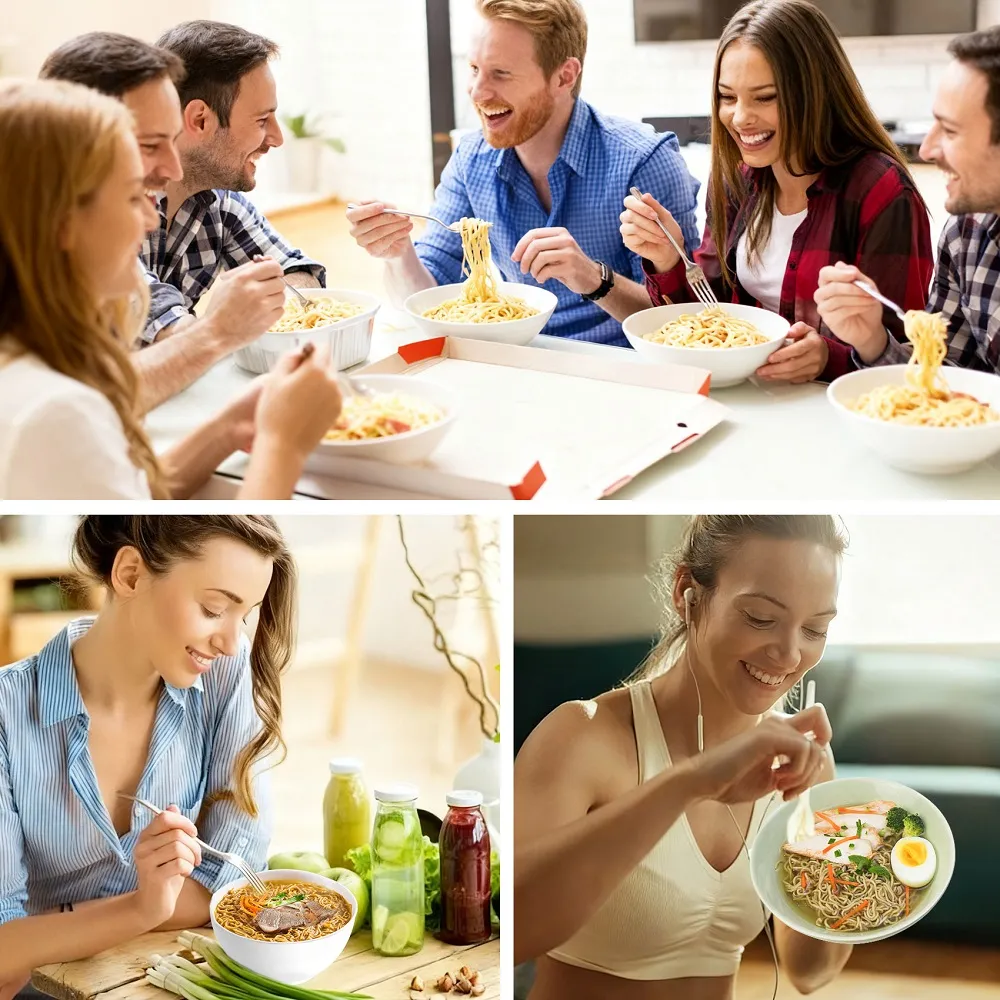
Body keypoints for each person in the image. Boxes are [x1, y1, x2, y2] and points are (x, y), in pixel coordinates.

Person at [515, 515, 853, 1000]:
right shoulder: (583, 737)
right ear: (685, 592)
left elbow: (808, 971)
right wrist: (690, 781)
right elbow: (513, 929)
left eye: (815, 629)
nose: (789, 654)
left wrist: (848, 852)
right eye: (761, 617)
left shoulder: (803, 765)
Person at [0, 79, 342, 500]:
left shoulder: (44, 380)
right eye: (131, 196)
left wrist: (229, 429)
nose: (151, 217)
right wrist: (282, 444)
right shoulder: (56, 411)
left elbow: (132, 494)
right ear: (63, 224)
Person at [0, 515, 293, 1000]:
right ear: (131, 574)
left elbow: (231, 879)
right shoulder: (8, 714)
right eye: (213, 607)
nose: (229, 640)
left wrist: (51, 926)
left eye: (243, 615)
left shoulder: (224, 672)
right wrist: (142, 908)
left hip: (157, 972)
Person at [347, 0, 700, 348]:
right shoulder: (472, 160)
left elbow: (684, 320)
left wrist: (592, 277)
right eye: (473, 69)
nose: (478, 92)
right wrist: (397, 252)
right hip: (517, 360)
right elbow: (426, 300)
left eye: (501, 73)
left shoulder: (643, 161)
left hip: (623, 368)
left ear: (565, 76)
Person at [620, 0, 932, 384]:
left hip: (834, 410)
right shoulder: (737, 179)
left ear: (815, 92)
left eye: (765, 97)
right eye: (727, 97)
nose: (739, 117)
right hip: (747, 399)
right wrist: (669, 258)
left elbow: (907, 356)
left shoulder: (881, 191)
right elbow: (709, 321)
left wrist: (827, 358)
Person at [39, 31, 298, 411]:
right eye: (147, 144)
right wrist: (217, 331)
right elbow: (93, 402)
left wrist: (227, 432)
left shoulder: (213, 203)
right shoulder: (59, 238)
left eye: (169, 138)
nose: (171, 167)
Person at [815, 26, 1000, 373]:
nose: (927, 150)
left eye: (950, 131)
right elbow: (943, 380)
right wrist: (872, 338)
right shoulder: (965, 234)